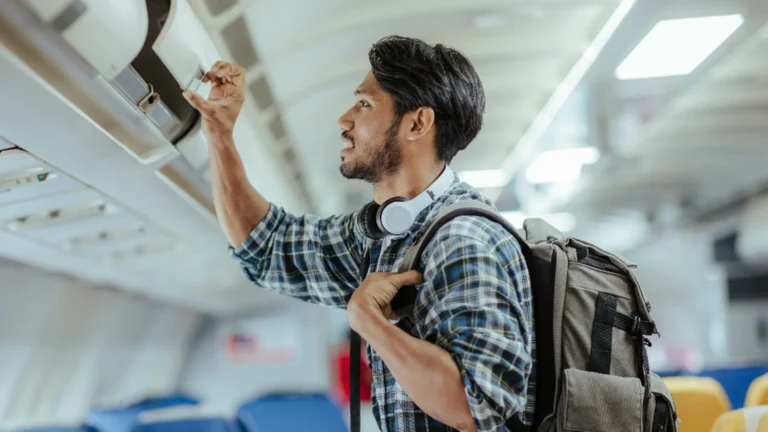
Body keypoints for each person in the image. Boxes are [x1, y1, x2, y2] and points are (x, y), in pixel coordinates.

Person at [183, 35, 536, 432]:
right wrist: (220, 132)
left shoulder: (463, 241)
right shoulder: (386, 233)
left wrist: (369, 322)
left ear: (417, 123)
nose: (344, 119)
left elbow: (477, 404)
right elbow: (268, 247)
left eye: (364, 104)